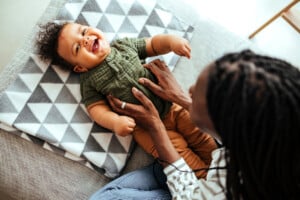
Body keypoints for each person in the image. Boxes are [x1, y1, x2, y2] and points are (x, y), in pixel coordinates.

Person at [90, 50, 300, 199]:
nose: (189, 89)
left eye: (198, 93)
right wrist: (182, 99)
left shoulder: (232, 190)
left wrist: (156, 126)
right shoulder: (274, 133)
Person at [36, 22, 217, 179]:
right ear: (80, 68)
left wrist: (171, 42)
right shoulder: (89, 81)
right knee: (183, 159)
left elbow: (152, 44)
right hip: (147, 130)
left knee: (203, 138)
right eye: (77, 48)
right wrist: (115, 122)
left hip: (173, 106)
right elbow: (96, 109)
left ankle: (223, 168)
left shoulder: (123, 45)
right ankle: (205, 180)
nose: (85, 40)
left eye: (83, 31)